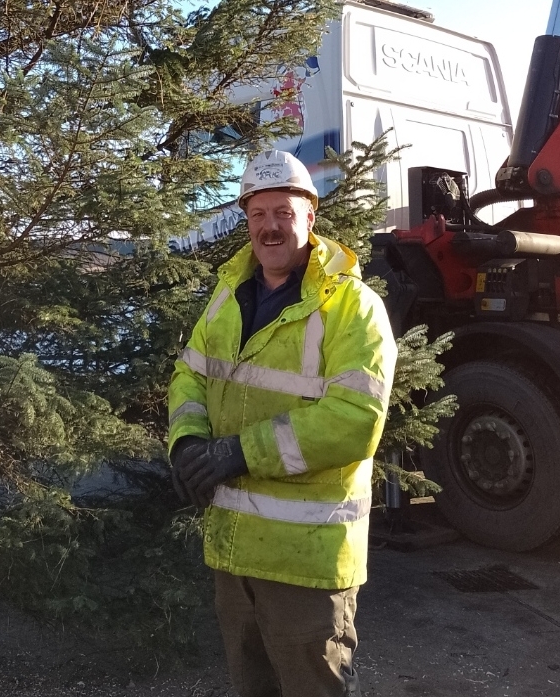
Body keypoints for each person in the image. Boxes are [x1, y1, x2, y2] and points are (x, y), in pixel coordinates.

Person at [168, 150, 396, 697]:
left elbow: (354, 419)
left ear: (310, 218)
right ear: (246, 219)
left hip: (307, 563)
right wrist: (187, 443)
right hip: (234, 554)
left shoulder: (351, 306)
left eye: (284, 212)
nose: (270, 225)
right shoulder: (228, 296)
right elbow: (189, 376)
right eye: (258, 213)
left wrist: (238, 453)